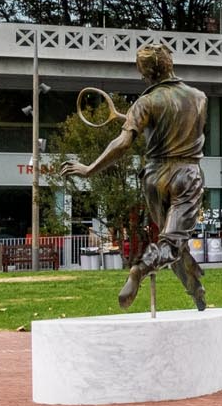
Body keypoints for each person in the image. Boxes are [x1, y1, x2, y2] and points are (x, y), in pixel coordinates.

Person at [59, 42, 210, 310]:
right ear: (170, 63)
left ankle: (196, 290)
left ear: (146, 74)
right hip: (187, 175)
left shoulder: (145, 103)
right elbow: (180, 129)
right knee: (172, 242)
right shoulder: (199, 98)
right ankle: (140, 268)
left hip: (154, 178)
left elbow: (124, 143)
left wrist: (89, 169)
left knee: (172, 239)